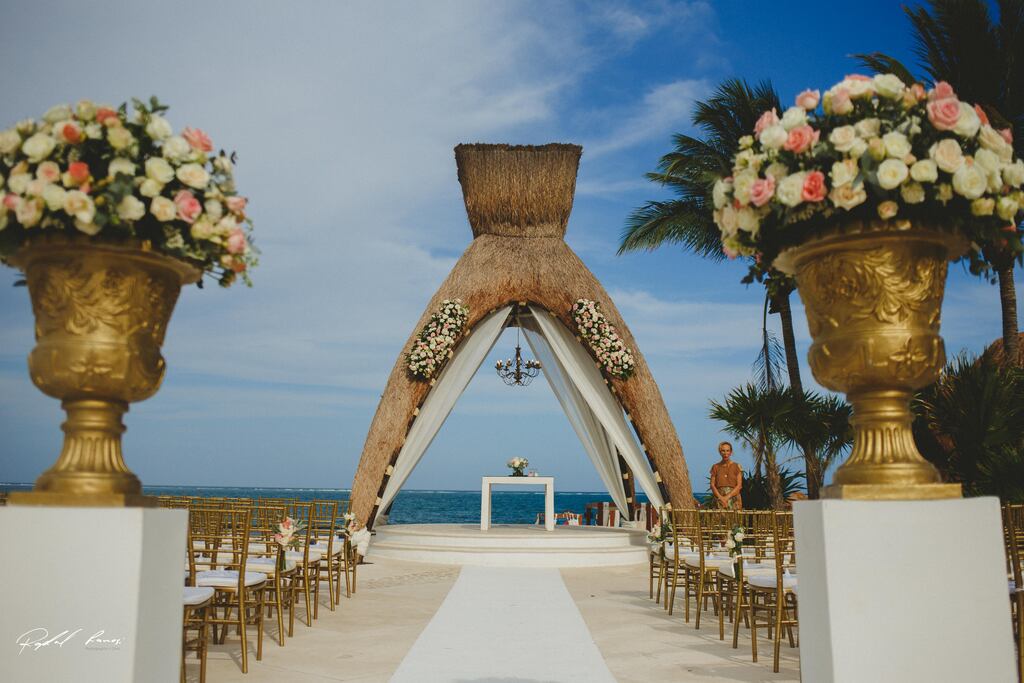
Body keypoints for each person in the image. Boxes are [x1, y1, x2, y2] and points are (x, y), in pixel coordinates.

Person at [710, 441, 743, 509]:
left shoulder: (737, 466)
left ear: (731, 452)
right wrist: (721, 498)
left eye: (728, 451)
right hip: (719, 498)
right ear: (720, 452)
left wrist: (727, 497)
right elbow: (712, 485)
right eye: (723, 451)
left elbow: (739, 485)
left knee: (734, 519)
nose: (725, 453)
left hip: (734, 499)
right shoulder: (715, 467)